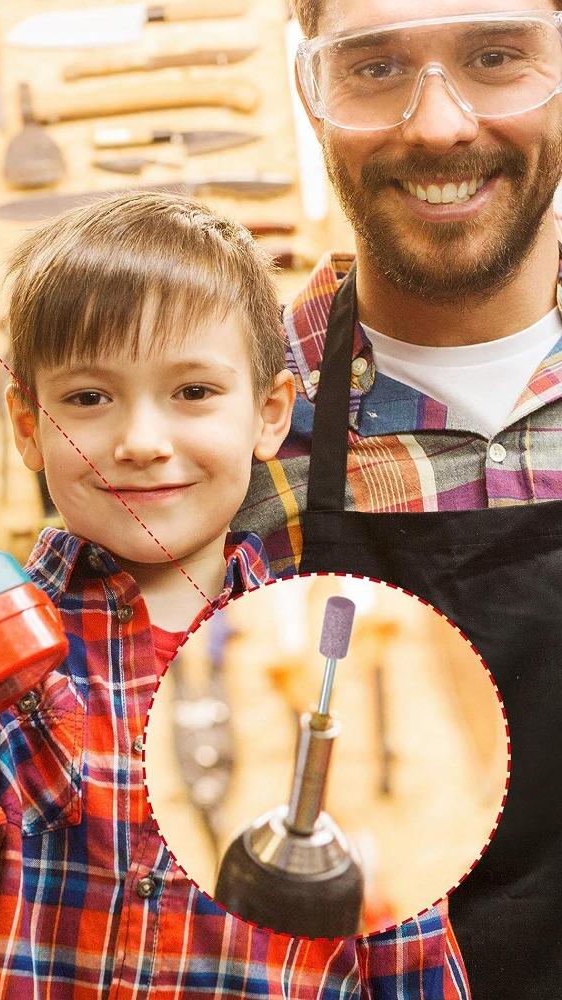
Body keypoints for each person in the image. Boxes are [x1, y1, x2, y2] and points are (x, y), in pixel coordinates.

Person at [0, 192, 471, 997]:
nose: (139, 441)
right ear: (27, 425)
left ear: (270, 414)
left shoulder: (333, 676)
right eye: (88, 399)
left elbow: (408, 941)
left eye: (193, 392)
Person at [234, 2, 562, 996]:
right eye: (374, 67)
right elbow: (98, 865)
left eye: (495, 56)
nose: (438, 124)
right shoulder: (221, 442)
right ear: (314, 92)